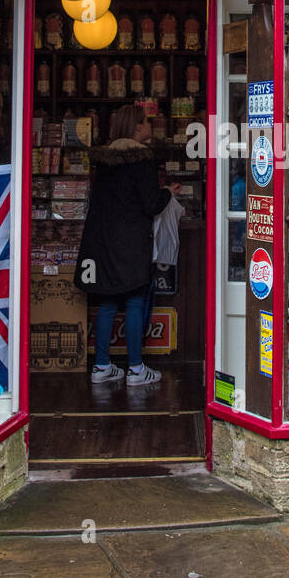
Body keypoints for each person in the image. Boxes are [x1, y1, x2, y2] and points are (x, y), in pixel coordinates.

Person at [75, 103, 180, 387]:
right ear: (136, 128)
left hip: (102, 239)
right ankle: (135, 368)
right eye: (146, 122)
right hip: (131, 242)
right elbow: (150, 204)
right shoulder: (141, 160)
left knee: (108, 301)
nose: (150, 126)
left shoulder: (104, 160)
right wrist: (167, 193)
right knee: (134, 301)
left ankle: (101, 366)